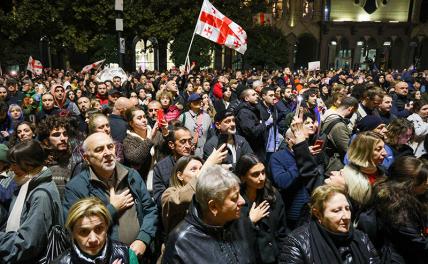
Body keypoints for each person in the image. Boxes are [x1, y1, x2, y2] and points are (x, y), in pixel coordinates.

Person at [64, 132, 157, 259]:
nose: (107, 153)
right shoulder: (76, 187)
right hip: (105, 258)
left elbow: (150, 210)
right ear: (86, 158)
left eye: (110, 147)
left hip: (140, 254)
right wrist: (112, 208)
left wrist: (143, 239)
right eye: (99, 149)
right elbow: (73, 228)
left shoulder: (131, 175)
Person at [162, 165, 255, 263]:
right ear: (213, 207)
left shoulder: (241, 222)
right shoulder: (180, 243)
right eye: (234, 198)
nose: (243, 201)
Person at [279, 185, 379, 263]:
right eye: (337, 210)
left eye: (347, 208)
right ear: (318, 214)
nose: (346, 216)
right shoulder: (298, 243)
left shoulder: (361, 238)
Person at [0, 140, 62, 263]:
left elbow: (27, 244)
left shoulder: (40, 195)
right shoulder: (25, 183)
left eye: (15, 164)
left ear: (30, 164)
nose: (11, 169)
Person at [370, 157, 428, 263]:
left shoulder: (416, 197)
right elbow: (417, 243)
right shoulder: (396, 208)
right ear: (407, 184)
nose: (427, 183)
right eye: (422, 180)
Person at [161, 146, 227, 235]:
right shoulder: (169, 193)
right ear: (180, 175)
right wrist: (206, 168)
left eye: (201, 168)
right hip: (181, 246)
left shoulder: (207, 194)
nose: (199, 172)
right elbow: (179, 200)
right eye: (193, 169)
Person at [235, 154, 288, 264]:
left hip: (275, 257)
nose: (262, 178)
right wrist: (250, 221)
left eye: (263, 172)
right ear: (242, 178)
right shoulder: (236, 201)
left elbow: (282, 232)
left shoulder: (273, 195)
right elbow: (234, 237)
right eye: (255, 174)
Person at [54, 197, 139, 264]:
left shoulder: (126, 254)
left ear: (106, 227)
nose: (93, 239)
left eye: (99, 229)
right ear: (72, 233)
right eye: (84, 232)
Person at [326, 131, 387, 216]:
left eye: (384, 148)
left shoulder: (384, 171)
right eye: (378, 149)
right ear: (364, 153)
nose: (385, 153)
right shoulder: (346, 179)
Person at [236, 88, 270, 161]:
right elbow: (252, 132)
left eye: (256, 94)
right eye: (253, 95)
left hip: (258, 147)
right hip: (252, 149)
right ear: (246, 98)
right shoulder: (244, 112)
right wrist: (265, 124)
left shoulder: (254, 108)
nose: (257, 96)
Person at [179, 93, 212, 158]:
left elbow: (211, 134)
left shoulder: (207, 117)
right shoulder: (183, 117)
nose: (198, 102)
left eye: (199, 100)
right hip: (188, 153)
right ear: (190, 104)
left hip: (204, 153)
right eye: (195, 101)